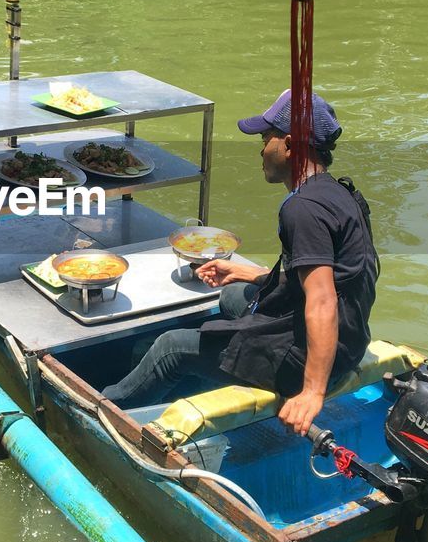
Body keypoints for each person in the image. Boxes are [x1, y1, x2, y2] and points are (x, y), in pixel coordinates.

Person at [100, 89, 379, 436]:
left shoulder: (302, 209)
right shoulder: (339, 193)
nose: (261, 150)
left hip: (312, 359)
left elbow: (321, 300)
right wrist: (248, 273)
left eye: (265, 139)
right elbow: (339, 280)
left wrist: (312, 392)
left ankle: (105, 410)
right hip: (351, 341)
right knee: (233, 297)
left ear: (289, 145)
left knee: (169, 347)